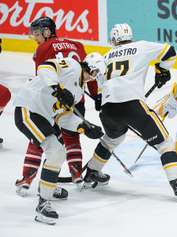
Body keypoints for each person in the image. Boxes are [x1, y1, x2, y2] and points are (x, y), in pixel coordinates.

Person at [82, 23, 177, 202]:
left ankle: (91, 173)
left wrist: (99, 98)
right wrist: (162, 70)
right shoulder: (140, 46)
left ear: (113, 39)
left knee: (112, 140)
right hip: (132, 105)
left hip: (108, 109)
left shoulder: (105, 56)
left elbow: (98, 83)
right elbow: (169, 51)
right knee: (164, 143)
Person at [13, 55, 105, 225]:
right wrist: (58, 89)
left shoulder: (78, 93)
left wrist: (84, 127)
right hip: (28, 108)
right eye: (96, 72)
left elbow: (63, 117)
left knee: (57, 149)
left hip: (44, 117)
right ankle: (42, 205)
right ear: (90, 67)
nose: (95, 77)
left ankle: (46, 186)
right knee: (56, 151)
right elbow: (44, 67)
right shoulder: (71, 65)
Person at [15, 16, 98, 194]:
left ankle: (27, 179)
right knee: (67, 139)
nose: (35, 38)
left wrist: (56, 89)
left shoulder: (43, 47)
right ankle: (76, 176)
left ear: (47, 32)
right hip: (73, 98)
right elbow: (88, 72)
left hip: (53, 101)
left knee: (42, 140)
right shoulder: (78, 45)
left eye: (37, 33)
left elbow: (42, 75)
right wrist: (97, 95)